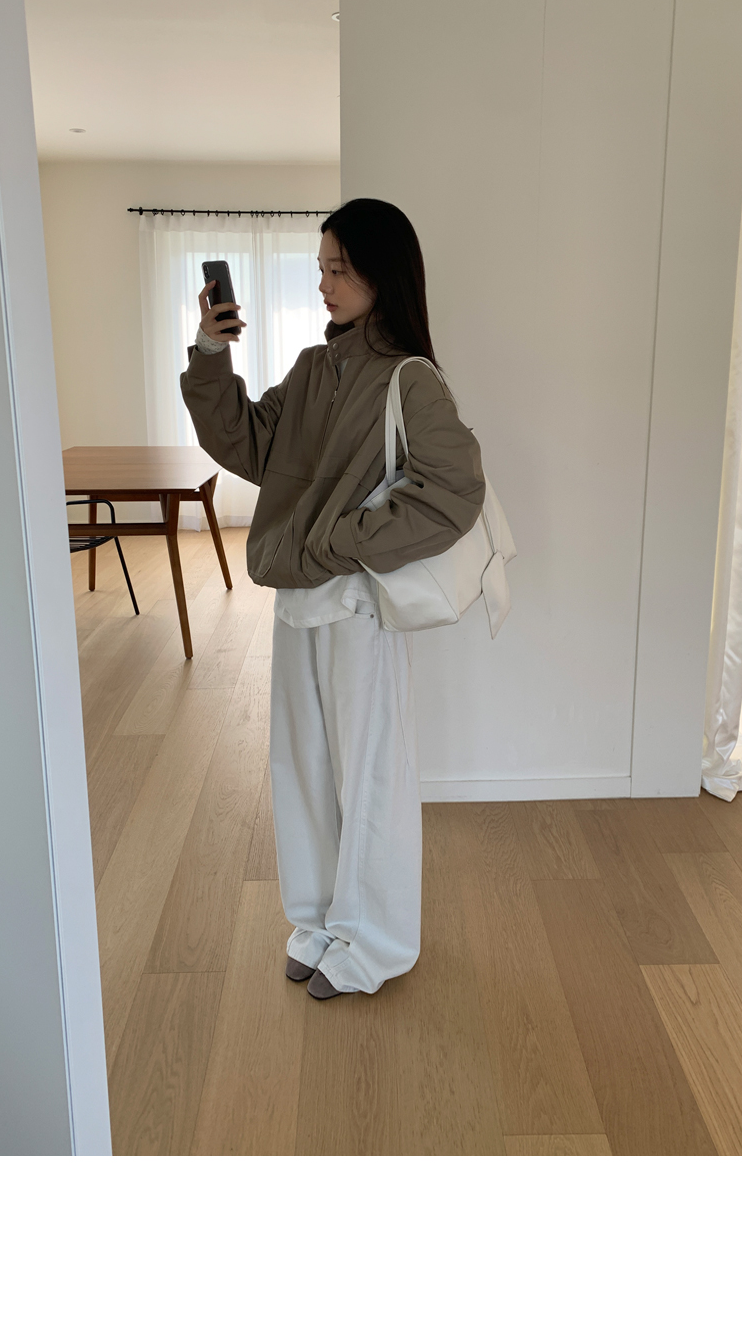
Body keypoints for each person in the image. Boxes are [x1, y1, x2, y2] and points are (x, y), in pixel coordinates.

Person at [180, 198, 485, 1000]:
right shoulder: (316, 368)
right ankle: (318, 922)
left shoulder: (410, 379)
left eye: (339, 269)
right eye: (320, 268)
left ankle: (374, 942)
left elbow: (454, 492)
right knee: (301, 768)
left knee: (370, 774)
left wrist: (341, 541)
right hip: (297, 601)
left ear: (382, 275)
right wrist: (210, 352)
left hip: (359, 608)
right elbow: (248, 442)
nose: (324, 284)